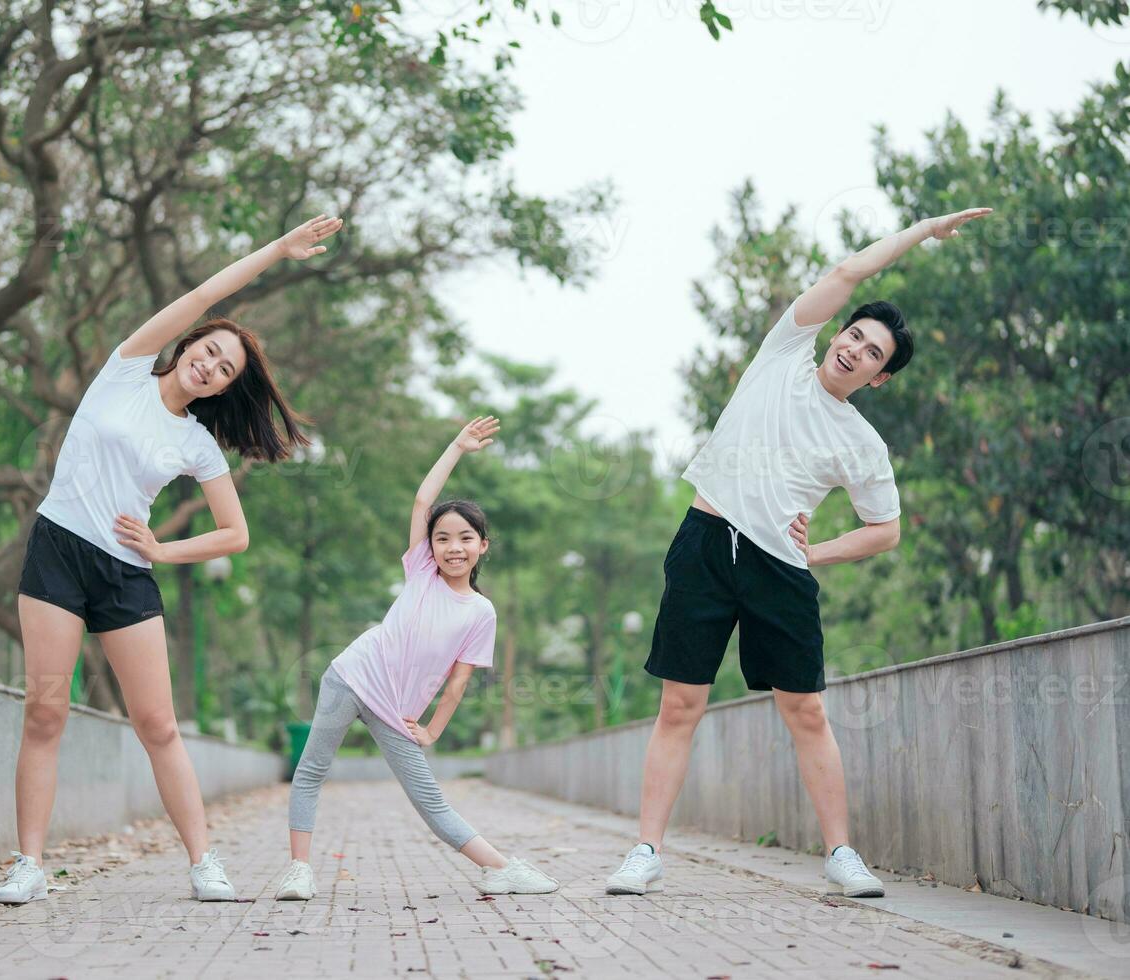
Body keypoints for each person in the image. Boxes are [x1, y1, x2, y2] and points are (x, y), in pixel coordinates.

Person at [607, 207, 992, 899]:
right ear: (836, 335)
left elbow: (887, 529)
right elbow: (849, 271)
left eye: (874, 353)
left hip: (780, 569)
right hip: (703, 543)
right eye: (856, 335)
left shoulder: (861, 443)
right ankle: (645, 851)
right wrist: (922, 231)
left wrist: (819, 556)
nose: (856, 350)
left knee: (805, 710)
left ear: (880, 377)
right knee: (679, 705)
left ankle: (842, 853)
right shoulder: (783, 354)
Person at [0, 215, 343, 905]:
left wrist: (162, 549)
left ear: (222, 388)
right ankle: (28, 865)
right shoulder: (124, 369)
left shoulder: (198, 445)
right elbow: (204, 291)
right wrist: (274, 248)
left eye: (223, 369)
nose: (209, 365)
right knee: (45, 711)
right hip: (58, 549)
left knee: (158, 725)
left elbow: (233, 534)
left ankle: (204, 861)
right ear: (189, 344)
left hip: (125, 573)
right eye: (208, 350)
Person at [275, 417, 559, 900]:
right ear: (430, 548)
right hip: (350, 676)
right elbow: (423, 500)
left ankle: (500, 868)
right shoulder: (421, 572)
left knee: (430, 801)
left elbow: (457, 683)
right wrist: (456, 446)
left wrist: (432, 730)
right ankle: (299, 871)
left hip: (396, 710)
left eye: (465, 538)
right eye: (443, 538)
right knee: (312, 769)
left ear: (482, 546)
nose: (453, 547)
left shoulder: (480, 612)